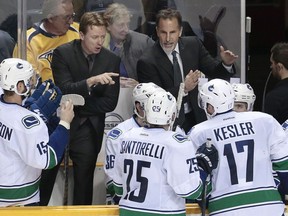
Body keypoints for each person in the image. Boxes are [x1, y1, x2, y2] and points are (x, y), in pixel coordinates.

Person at [188, 78, 288, 216]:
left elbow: (194, 186)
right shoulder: (264, 120)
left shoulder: (198, 133)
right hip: (269, 207)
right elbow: (284, 167)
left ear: (209, 106)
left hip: (225, 209)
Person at [51, 11, 120, 205]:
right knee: (47, 176)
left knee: (83, 186)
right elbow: (64, 90)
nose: (99, 42)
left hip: (89, 130)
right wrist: (90, 82)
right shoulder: (62, 53)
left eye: (102, 37)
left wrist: (78, 103)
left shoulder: (111, 59)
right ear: (81, 35)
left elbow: (109, 103)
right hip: (61, 126)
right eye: (94, 37)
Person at [112, 90, 218, 216]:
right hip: (162, 212)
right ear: (172, 116)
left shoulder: (126, 137)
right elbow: (191, 192)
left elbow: (118, 189)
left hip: (128, 211)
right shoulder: (176, 143)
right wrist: (202, 167)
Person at [137, 8, 238, 133]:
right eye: (163, 32)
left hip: (197, 118)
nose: (168, 38)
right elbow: (154, 98)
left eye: (172, 32)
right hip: (167, 124)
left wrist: (226, 64)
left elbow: (213, 71)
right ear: (157, 31)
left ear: (180, 31)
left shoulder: (194, 45)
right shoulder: (147, 61)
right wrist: (183, 88)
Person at [0, 58, 74, 207]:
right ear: (19, 86)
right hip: (19, 198)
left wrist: (29, 107)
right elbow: (47, 159)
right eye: (28, 81)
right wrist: (64, 123)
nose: (32, 84)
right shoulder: (30, 124)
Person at [104, 82, 165, 204]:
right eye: (151, 104)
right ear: (138, 106)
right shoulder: (118, 135)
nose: (156, 109)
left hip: (158, 204)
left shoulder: (169, 131)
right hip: (125, 203)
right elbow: (111, 183)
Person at [13, 0, 79, 82]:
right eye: (67, 17)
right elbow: (27, 80)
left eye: (72, 16)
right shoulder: (27, 41)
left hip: (77, 89)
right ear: (50, 18)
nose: (71, 22)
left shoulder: (78, 31)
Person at [103, 3, 154, 88]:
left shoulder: (143, 42)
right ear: (108, 25)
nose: (126, 29)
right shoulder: (99, 44)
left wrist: (140, 85)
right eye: (121, 25)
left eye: (127, 24)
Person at [264, 42, 288, 124]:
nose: (271, 67)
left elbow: (270, 130)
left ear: (279, 66)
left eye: (272, 63)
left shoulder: (275, 97)